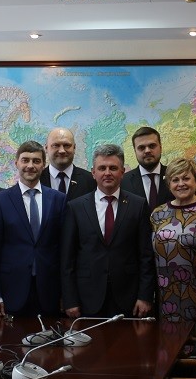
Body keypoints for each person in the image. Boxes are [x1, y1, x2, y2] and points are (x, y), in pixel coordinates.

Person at [61, 144, 155, 318]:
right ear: (93, 172)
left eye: (113, 168)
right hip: (87, 297)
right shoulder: (76, 207)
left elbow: (146, 256)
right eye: (102, 168)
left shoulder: (138, 205)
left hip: (129, 297)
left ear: (122, 172)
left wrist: (145, 296)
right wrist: (70, 300)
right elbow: (68, 259)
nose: (107, 173)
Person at [0, 141, 67, 318]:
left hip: (49, 291)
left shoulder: (58, 199)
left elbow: (63, 249)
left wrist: (66, 294)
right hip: (11, 291)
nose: (30, 165)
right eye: (25, 160)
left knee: (49, 336)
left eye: (36, 161)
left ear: (43, 165)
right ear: (16, 163)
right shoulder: (0, 200)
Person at [150, 157, 196, 332]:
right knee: (168, 346)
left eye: (186, 178)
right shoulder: (157, 214)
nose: (181, 184)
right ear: (169, 184)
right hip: (165, 300)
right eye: (175, 180)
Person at [121, 126, 174, 211]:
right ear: (135, 151)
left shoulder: (175, 176)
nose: (147, 151)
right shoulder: (123, 182)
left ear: (160, 148)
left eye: (152, 146)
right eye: (141, 148)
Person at [40, 127, 95, 201]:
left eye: (66, 145)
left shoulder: (90, 180)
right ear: (46, 148)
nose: (62, 151)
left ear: (74, 148)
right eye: (56, 145)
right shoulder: (37, 179)